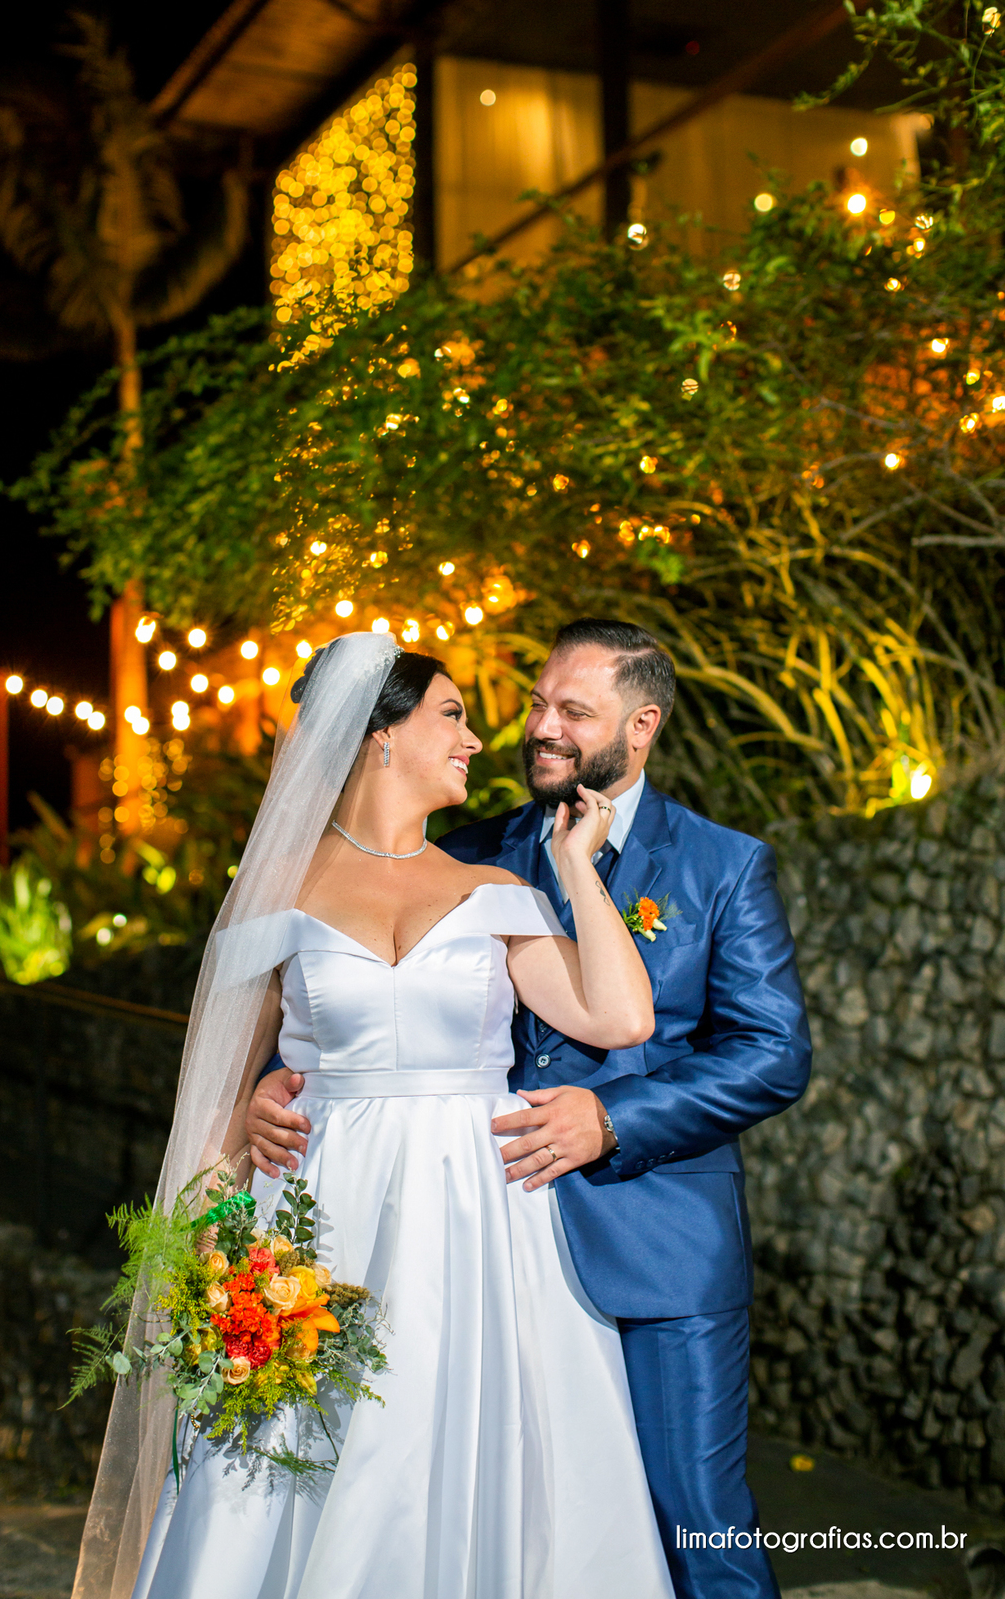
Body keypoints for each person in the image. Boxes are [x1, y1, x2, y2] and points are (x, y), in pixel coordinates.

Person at [78, 631, 675, 1599]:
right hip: (323, 1219)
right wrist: (249, 1115)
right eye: (452, 715)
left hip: (484, 1227)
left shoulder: (496, 891)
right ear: (378, 737)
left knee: (474, 1453)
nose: (478, 741)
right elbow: (215, 1085)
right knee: (298, 1463)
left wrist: (575, 868)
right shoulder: (271, 893)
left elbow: (619, 1016)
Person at [249, 619, 812, 1599]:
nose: (541, 729)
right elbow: (348, 998)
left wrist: (613, 1121)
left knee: (697, 1526)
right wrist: (271, 1078)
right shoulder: (467, 850)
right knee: (516, 1527)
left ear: (640, 728)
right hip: (479, 1244)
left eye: (574, 713)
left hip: (655, 1244)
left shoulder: (722, 865)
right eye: (538, 705)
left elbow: (772, 1054)